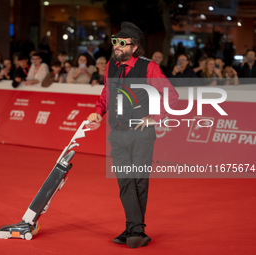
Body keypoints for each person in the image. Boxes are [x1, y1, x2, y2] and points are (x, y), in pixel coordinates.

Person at [88, 21, 178, 249]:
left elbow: (171, 95)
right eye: (114, 42)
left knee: (138, 182)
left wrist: (154, 118)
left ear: (135, 46)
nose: (116, 46)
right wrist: (98, 111)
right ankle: (136, 229)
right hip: (117, 134)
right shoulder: (112, 65)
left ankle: (134, 229)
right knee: (125, 181)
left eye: (121, 43)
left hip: (141, 135)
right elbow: (107, 91)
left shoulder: (149, 67)